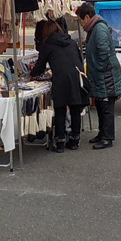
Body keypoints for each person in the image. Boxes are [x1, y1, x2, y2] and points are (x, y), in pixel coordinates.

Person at [30, 19, 87, 152]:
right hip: (76, 76)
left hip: (60, 78)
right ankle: (74, 140)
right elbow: (79, 59)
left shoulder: (47, 45)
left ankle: (60, 142)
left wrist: (32, 74)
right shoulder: (71, 42)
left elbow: (40, 66)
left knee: (60, 109)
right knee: (75, 108)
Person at [77, 1, 121, 150]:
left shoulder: (99, 28)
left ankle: (107, 137)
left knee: (106, 105)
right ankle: (102, 133)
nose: (80, 24)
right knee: (100, 103)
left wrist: (99, 68)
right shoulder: (95, 28)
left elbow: (103, 51)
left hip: (105, 74)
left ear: (86, 16)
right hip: (101, 74)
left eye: (80, 20)